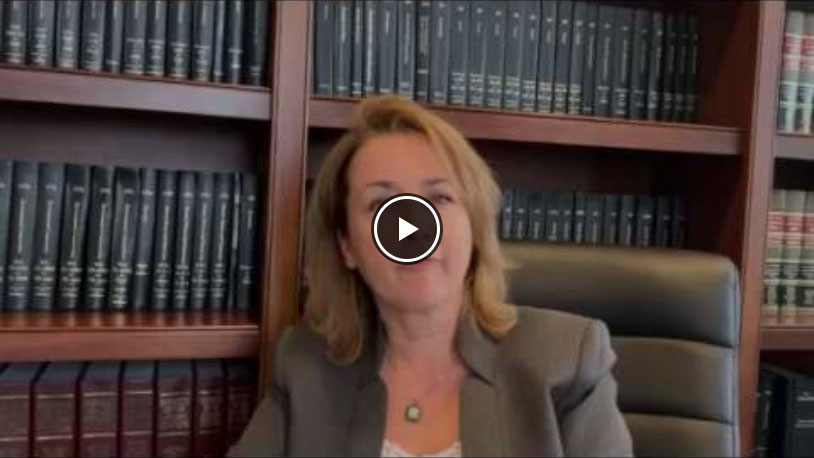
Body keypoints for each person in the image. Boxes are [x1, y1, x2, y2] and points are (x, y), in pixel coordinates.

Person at [228, 96, 633, 457]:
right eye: (382, 204)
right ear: (347, 246)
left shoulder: (567, 360)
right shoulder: (304, 365)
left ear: (473, 226)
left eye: (438, 198)